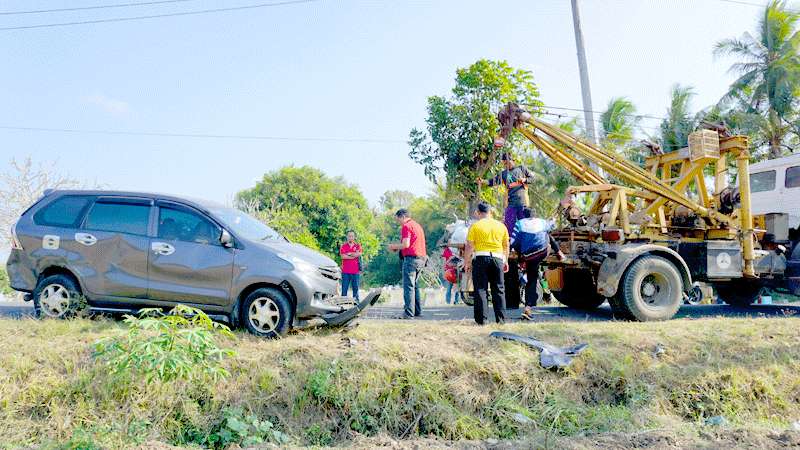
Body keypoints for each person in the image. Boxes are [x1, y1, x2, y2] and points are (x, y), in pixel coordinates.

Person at [510, 208, 565, 320]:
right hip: (542, 252)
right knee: (548, 236)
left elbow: (512, 242)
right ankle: (559, 253)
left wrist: (512, 252)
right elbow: (552, 226)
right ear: (535, 215)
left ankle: (528, 307)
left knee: (532, 278)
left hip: (528, 256)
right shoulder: (542, 222)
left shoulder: (519, 223)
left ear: (524, 216)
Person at [464, 202, 509, 325]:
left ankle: (482, 320)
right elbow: (506, 245)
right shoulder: (501, 226)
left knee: (480, 289)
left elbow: (469, 246)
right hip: (498, 259)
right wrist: (506, 260)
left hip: (481, 258)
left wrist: (466, 262)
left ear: (478, 213)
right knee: (499, 289)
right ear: (491, 212)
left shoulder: (475, 226)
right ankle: (501, 320)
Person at [478, 153, 535, 233]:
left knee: (524, 225)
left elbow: (532, 178)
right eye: (504, 163)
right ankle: (509, 243)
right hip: (511, 203)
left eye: (508, 162)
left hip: (522, 203)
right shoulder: (504, 174)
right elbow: (492, 182)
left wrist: (524, 180)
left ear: (512, 160)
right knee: (508, 226)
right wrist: (482, 181)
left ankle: (524, 243)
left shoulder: (521, 168)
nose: (506, 165)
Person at [388, 209, 427, 319]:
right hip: (421, 258)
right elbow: (411, 244)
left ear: (402, 216)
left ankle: (408, 313)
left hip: (411, 260)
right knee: (415, 286)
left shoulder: (406, 226)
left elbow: (406, 244)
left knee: (409, 286)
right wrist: (399, 249)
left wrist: (394, 246)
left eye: (398, 219)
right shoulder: (417, 225)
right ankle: (417, 311)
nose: (398, 222)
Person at [339, 230, 363, 301]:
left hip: (355, 271)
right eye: (349, 236)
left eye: (352, 236)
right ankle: (343, 304)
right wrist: (353, 255)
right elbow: (343, 256)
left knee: (355, 289)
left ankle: (356, 305)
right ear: (347, 237)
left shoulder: (358, 245)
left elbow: (358, 254)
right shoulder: (343, 246)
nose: (350, 238)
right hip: (345, 271)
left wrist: (348, 254)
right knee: (344, 289)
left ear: (354, 237)